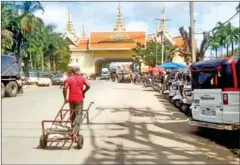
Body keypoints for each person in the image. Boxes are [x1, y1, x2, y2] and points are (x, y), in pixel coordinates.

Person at [63, 66, 90, 138]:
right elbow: (88, 85)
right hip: (79, 99)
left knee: (72, 113)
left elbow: (65, 88)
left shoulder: (69, 79)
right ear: (77, 71)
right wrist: (83, 92)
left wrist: (65, 98)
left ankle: (72, 128)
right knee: (79, 114)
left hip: (71, 99)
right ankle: (75, 131)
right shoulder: (82, 78)